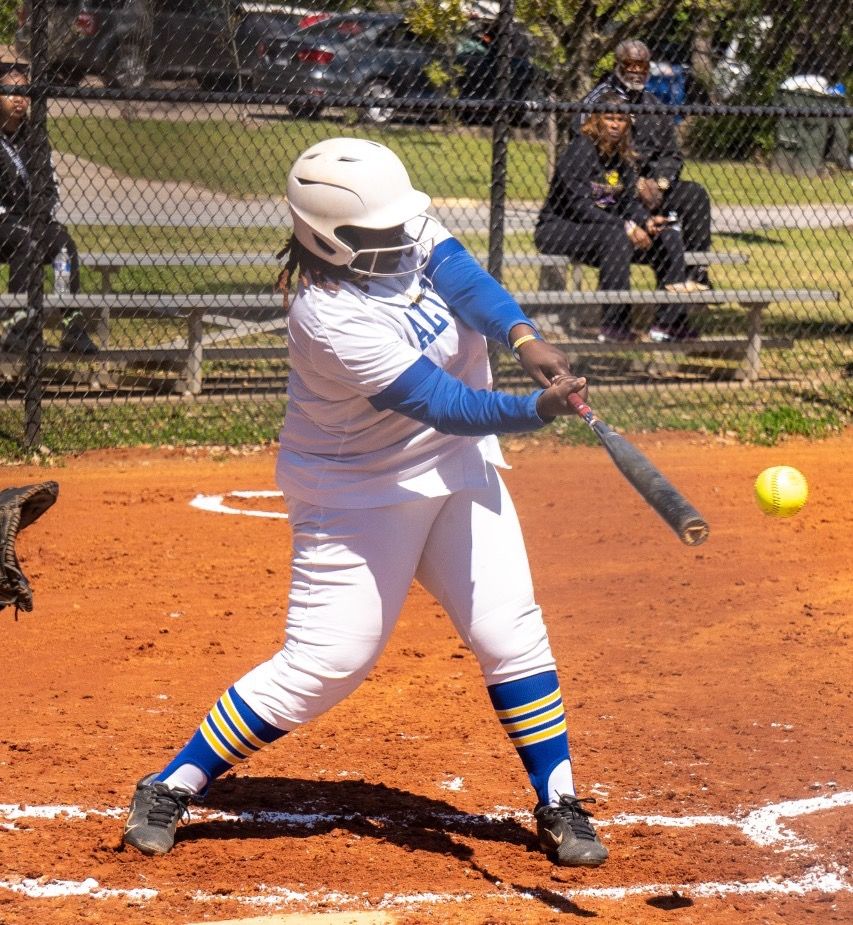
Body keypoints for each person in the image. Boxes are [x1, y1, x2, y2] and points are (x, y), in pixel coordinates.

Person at [121, 136, 609, 869]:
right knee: (327, 661)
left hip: (454, 469)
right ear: (329, 239)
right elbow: (441, 402)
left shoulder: (394, 222)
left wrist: (521, 334)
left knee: (509, 629)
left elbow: (459, 273)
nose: (402, 239)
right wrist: (534, 409)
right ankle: (171, 783)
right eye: (381, 233)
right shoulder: (327, 315)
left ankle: (558, 798)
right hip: (358, 492)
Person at [536, 90, 707, 343]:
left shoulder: (622, 155)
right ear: (596, 120)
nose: (615, 124)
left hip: (607, 231)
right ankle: (614, 325)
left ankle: (668, 324)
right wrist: (627, 226)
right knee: (615, 236)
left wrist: (645, 222)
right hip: (561, 228)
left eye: (621, 119)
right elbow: (578, 206)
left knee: (668, 236)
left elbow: (627, 202)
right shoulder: (580, 150)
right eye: (609, 118)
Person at [580, 40, 713, 292]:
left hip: (654, 186)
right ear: (617, 66)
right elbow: (592, 151)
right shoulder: (600, 100)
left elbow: (672, 155)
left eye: (642, 65)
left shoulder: (655, 107)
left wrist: (661, 184)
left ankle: (696, 274)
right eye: (630, 64)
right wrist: (633, 183)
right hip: (613, 186)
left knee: (695, 195)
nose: (636, 70)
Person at [0, 64, 97, 354]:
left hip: (30, 223)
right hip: (3, 222)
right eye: (10, 92)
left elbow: (50, 187)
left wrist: (43, 217)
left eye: (24, 92)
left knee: (64, 243)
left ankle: (72, 325)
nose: (19, 99)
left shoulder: (35, 138)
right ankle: (18, 326)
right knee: (26, 239)